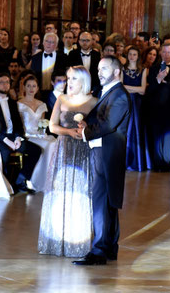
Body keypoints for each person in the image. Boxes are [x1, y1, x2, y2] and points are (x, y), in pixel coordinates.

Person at [73, 56, 130, 266]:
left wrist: (85, 131)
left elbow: (109, 125)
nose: (99, 72)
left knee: (101, 203)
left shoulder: (120, 95)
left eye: (104, 68)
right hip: (102, 151)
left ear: (116, 72)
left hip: (108, 154)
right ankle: (109, 248)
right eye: (98, 69)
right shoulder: (107, 92)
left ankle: (98, 252)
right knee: (107, 203)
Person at [38, 66, 96, 257]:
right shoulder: (61, 100)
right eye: (68, 79)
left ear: (84, 82)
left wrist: (86, 128)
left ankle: (78, 241)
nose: (69, 83)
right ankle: (57, 239)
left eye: (74, 79)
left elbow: (99, 128)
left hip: (84, 151)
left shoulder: (94, 102)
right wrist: (69, 132)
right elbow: (52, 127)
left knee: (80, 192)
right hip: (63, 150)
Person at [0, 73, 41, 192]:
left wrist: (18, 138)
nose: (5, 85)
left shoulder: (13, 103)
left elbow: (18, 124)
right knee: (4, 154)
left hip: (13, 137)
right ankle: (7, 185)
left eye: (7, 82)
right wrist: (7, 141)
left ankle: (20, 179)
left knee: (36, 150)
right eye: (2, 83)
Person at [17, 74, 58, 192]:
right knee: (43, 146)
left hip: (39, 134)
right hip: (27, 135)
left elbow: (42, 123)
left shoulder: (41, 104)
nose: (31, 88)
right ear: (24, 87)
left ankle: (48, 179)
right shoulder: (19, 104)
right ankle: (33, 180)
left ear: (37, 88)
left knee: (53, 143)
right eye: (28, 86)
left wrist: (42, 131)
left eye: (34, 86)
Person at [122, 47, 148, 172]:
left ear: (138, 56)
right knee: (125, 129)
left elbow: (143, 91)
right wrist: (134, 88)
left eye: (134, 54)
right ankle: (124, 160)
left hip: (137, 103)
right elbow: (120, 87)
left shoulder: (143, 70)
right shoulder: (122, 69)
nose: (132, 56)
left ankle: (136, 161)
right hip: (125, 101)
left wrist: (128, 87)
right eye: (130, 54)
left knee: (135, 129)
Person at [28, 32, 68, 98]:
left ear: (56, 45)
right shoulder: (35, 58)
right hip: (38, 93)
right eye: (47, 41)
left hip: (56, 94)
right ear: (43, 42)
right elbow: (33, 76)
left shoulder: (63, 58)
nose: (48, 44)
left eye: (52, 42)